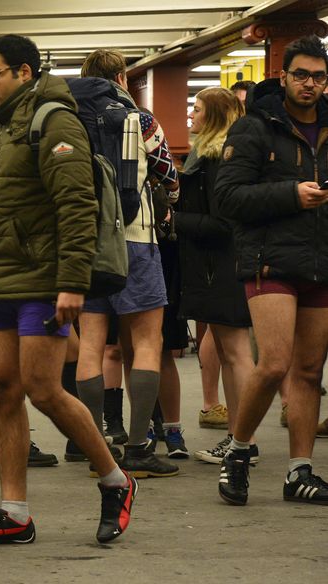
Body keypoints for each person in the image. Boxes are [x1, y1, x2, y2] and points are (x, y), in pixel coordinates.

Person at [0, 34, 137, 546]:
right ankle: (14, 511)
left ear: (25, 72)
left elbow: (76, 205)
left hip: (41, 281)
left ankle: (115, 480)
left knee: (44, 389)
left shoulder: (54, 121)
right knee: (3, 388)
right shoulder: (2, 127)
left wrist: (73, 284)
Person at [214, 34, 328, 506]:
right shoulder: (255, 127)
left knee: (308, 368)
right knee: (274, 362)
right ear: (284, 76)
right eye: (300, 74)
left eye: (318, 77)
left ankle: (299, 470)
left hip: (320, 260)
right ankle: (238, 451)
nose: (309, 84)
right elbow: (227, 198)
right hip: (269, 258)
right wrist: (290, 195)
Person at [74, 48, 182, 478]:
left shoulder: (70, 120)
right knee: (148, 343)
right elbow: (169, 178)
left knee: (91, 344)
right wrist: (167, 201)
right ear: (121, 77)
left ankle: (94, 445)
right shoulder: (142, 120)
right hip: (136, 240)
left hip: (85, 245)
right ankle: (138, 449)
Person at [175, 87, 258, 466]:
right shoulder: (207, 156)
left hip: (224, 266)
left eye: (196, 109)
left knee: (238, 354)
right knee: (228, 354)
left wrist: (174, 220)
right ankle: (236, 437)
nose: (190, 115)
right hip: (216, 266)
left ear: (215, 115)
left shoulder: (217, 161)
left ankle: (246, 441)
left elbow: (223, 223)